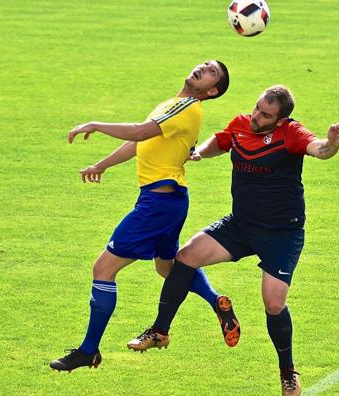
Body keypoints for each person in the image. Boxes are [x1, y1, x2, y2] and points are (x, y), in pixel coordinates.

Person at [127, 85, 339, 396]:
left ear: (282, 119)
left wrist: (332, 143)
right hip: (241, 224)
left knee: (273, 303)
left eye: (266, 115)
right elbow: (222, 141)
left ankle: (288, 372)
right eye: (257, 109)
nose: (257, 116)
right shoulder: (242, 123)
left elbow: (319, 149)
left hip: (281, 233)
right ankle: (160, 331)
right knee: (186, 257)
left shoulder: (292, 134)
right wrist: (200, 151)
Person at [50, 60, 233, 372]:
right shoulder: (174, 104)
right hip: (169, 200)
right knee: (168, 269)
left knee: (103, 269)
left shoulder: (188, 107)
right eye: (205, 64)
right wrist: (102, 165)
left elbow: (140, 130)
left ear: (211, 90)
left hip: (157, 204)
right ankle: (217, 302)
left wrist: (95, 124)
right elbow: (141, 143)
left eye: (211, 72)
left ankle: (88, 351)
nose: (203, 68)